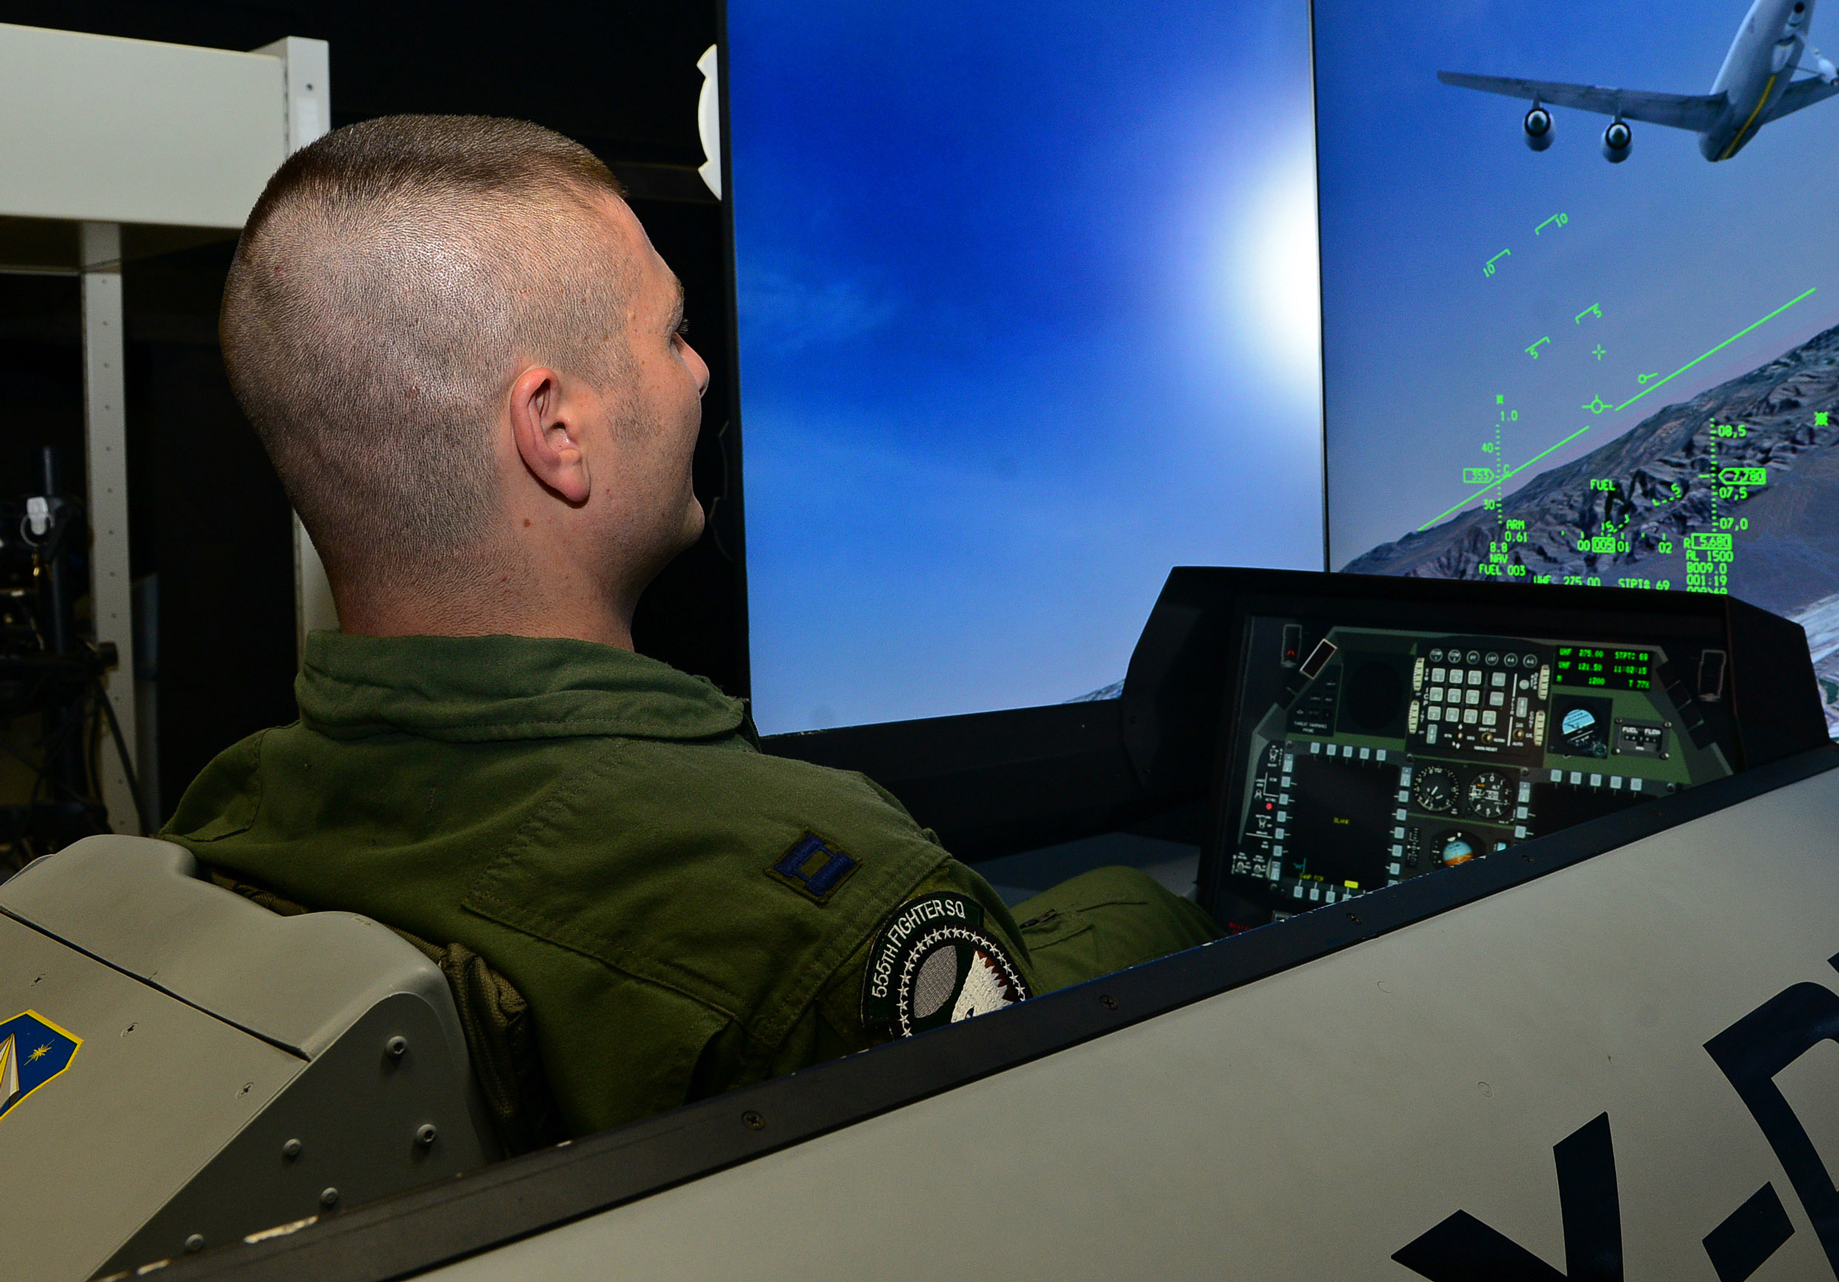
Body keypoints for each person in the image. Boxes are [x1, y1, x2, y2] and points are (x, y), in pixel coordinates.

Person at [160, 115, 1216, 1145]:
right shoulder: (811, 898)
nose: (700, 370)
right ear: (556, 430)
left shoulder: (226, 812)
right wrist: (1157, 912)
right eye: (669, 332)